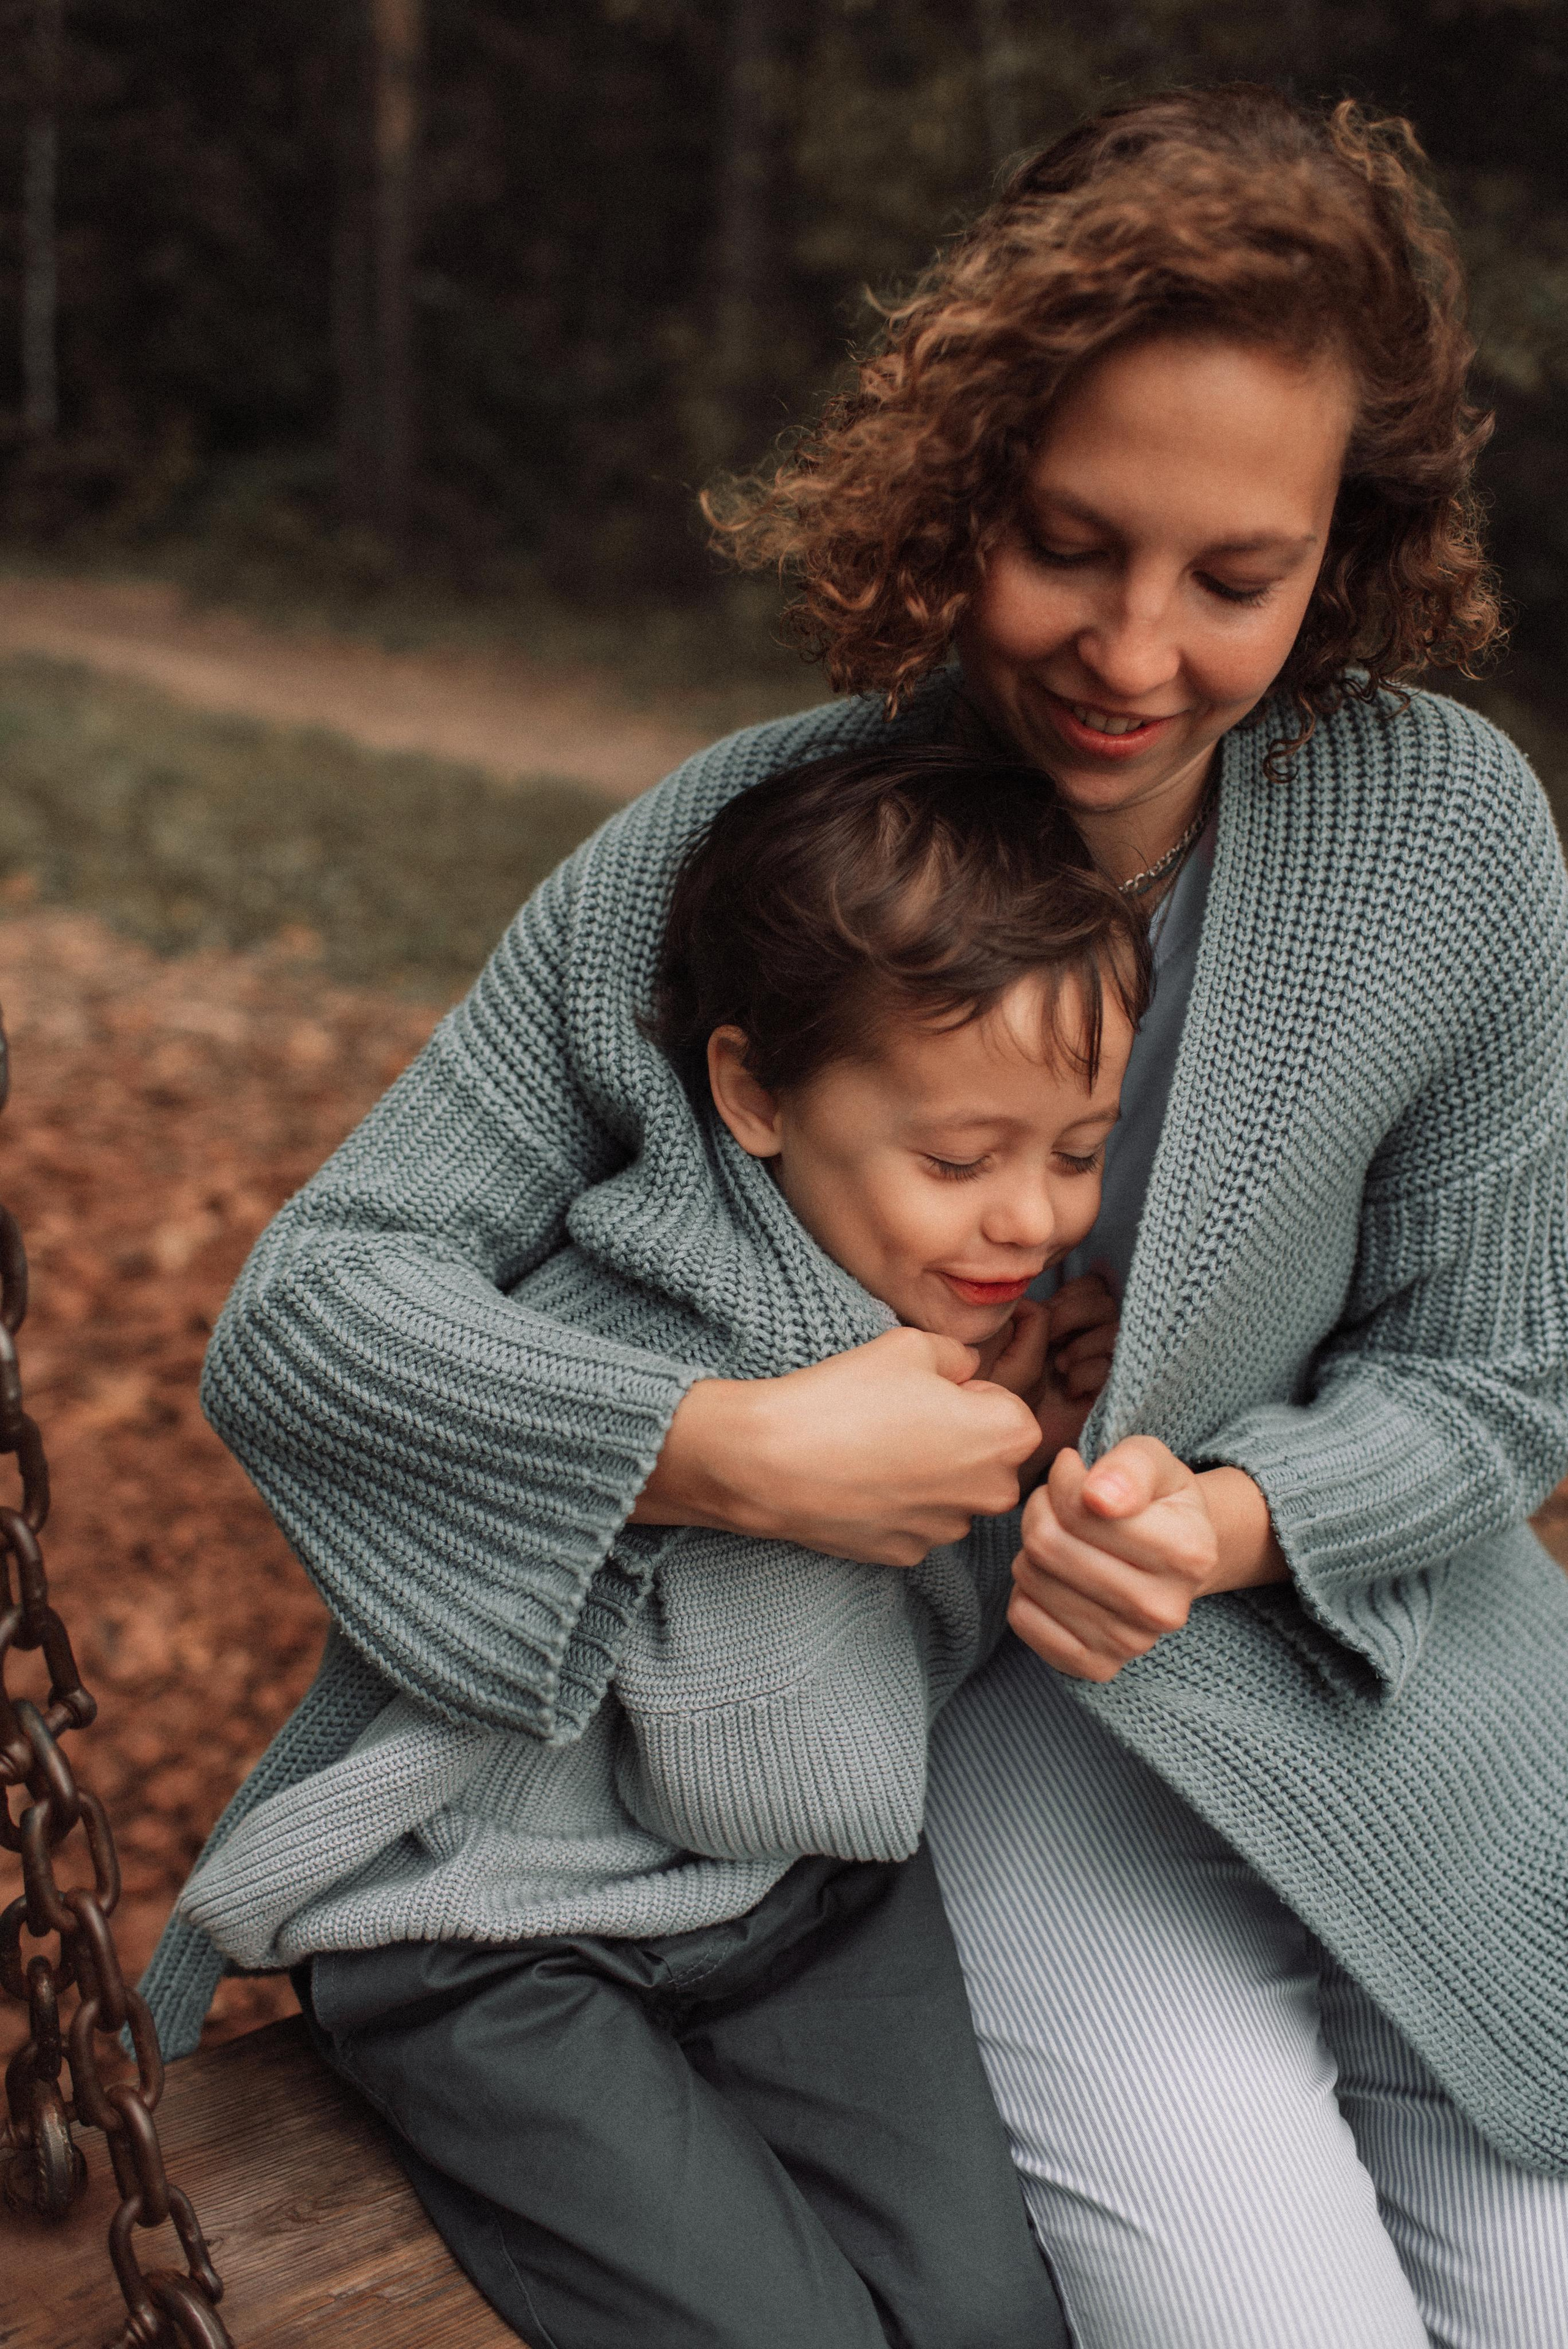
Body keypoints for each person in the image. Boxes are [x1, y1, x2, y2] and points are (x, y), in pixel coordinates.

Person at [145, 83, 1568, 2348]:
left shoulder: (1454, 841)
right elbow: (320, 1304)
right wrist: (725, 1444)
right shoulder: (755, 862)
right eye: (1071, 539)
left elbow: (1494, 1374)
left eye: (1238, 577)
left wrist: (1236, 1511)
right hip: (981, 1768)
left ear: (1350, 543)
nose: (1133, 648)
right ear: (961, 475)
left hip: (1409, 1695)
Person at [170, 744, 1149, 2348]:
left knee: (997, 2317)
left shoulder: (910, 1323)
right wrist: (894, 1460)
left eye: (1077, 1148)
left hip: (783, 1904)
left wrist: (1011, 1437)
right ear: (754, 1093)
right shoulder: (652, 1315)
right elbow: (765, 1752)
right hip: (494, 1932)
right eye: (962, 1160)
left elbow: (862, 1685)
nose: (1032, 1221)